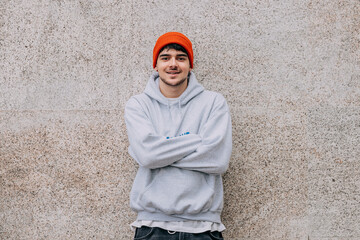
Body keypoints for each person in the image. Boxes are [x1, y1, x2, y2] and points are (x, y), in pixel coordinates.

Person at [124, 32, 232, 240]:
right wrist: (196, 139)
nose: (173, 63)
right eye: (165, 58)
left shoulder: (213, 103)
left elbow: (217, 160)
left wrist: (158, 152)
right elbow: (148, 155)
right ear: (155, 65)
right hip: (152, 228)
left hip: (204, 228)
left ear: (190, 65)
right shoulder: (138, 105)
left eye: (181, 58)